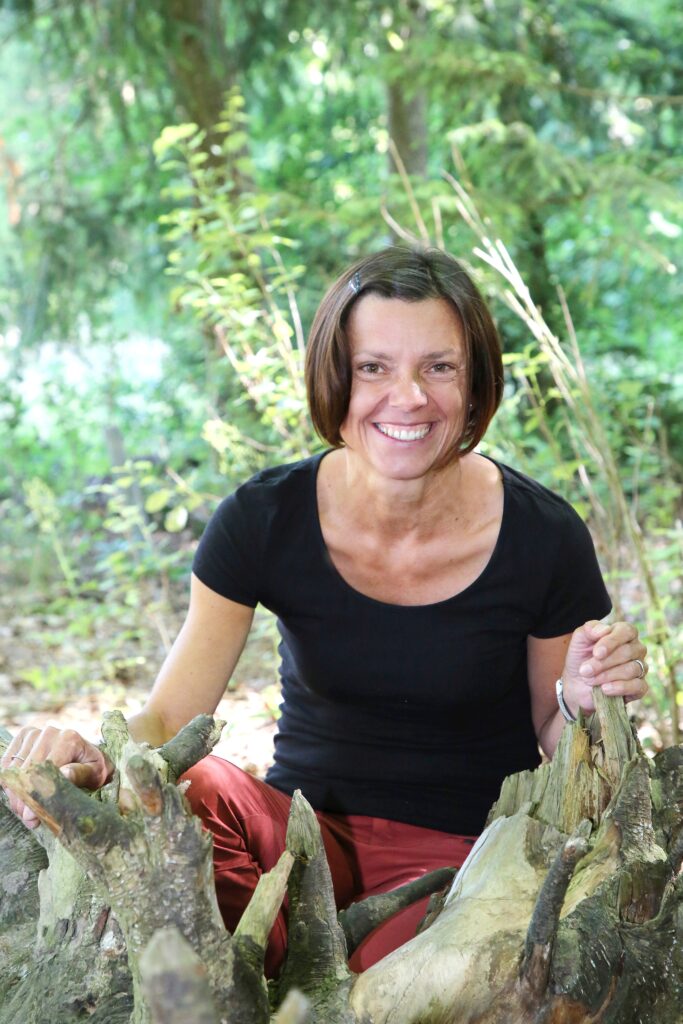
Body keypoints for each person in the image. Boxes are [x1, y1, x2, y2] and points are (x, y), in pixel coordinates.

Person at [2, 247, 648, 975]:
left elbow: (553, 732)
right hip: (296, 840)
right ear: (334, 376)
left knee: (387, 982)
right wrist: (93, 755)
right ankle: (254, 968)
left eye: (438, 367)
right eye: (373, 367)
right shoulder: (262, 517)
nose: (407, 397)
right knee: (191, 792)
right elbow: (166, 725)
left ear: (473, 385)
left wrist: (581, 699)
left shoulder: (543, 535)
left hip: (458, 859)